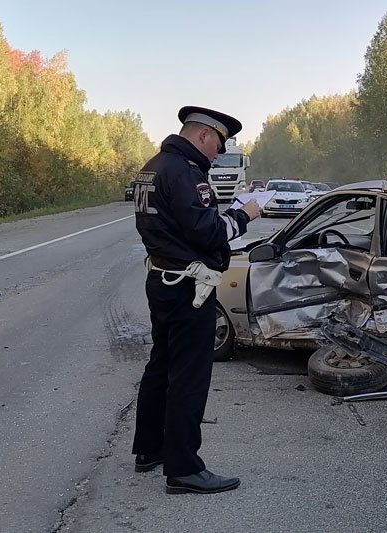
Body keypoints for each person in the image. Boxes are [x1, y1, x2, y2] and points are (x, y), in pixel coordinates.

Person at [130, 106, 261, 494]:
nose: (218, 155)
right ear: (203, 136)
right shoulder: (186, 173)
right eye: (218, 146)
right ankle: (184, 468)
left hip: (162, 279)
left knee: (161, 365)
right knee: (189, 375)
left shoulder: (152, 167)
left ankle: (150, 449)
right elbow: (207, 232)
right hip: (189, 287)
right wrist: (244, 215)